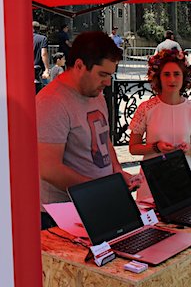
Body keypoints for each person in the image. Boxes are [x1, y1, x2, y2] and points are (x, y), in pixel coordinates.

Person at [37, 31, 142, 229]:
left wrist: (117, 171)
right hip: (62, 216)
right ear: (79, 66)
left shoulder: (95, 93)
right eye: (102, 74)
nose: (108, 82)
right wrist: (101, 190)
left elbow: (104, 138)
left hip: (95, 204)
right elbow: (49, 169)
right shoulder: (51, 102)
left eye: (110, 75)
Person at [128, 48, 191, 201]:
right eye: (166, 74)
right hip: (152, 180)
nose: (172, 79)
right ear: (158, 77)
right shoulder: (146, 108)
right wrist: (156, 147)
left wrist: (188, 149)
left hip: (183, 179)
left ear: (184, 77)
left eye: (176, 74)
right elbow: (133, 148)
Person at [32, 21, 50, 93]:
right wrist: (47, 69)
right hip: (37, 70)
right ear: (39, 29)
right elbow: (44, 54)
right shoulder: (42, 38)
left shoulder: (22, 37)